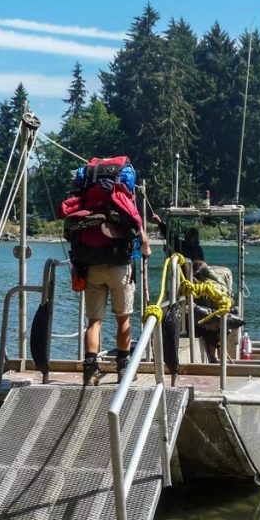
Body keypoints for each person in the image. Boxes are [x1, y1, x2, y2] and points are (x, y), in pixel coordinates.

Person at [59, 157, 151, 385]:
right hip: (119, 266)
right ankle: (123, 369)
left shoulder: (86, 201)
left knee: (94, 322)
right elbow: (140, 234)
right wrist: (146, 249)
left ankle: (90, 371)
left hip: (90, 265)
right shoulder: (122, 200)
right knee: (123, 319)